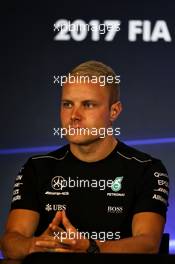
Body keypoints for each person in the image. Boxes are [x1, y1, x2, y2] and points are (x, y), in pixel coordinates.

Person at [1, 60, 169, 259]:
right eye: (67, 104)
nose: (74, 116)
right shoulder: (36, 168)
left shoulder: (147, 170)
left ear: (114, 111)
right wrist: (36, 245)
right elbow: (11, 241)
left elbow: (148, 244)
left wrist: (90, 249)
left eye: (88, 105)